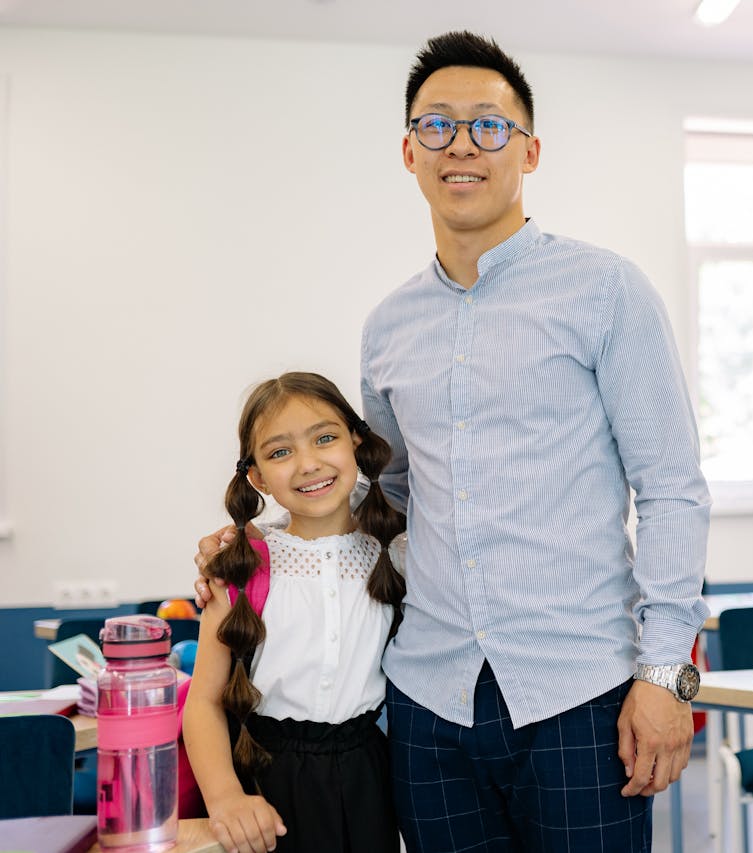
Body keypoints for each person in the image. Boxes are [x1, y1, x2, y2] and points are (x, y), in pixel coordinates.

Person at [199, 30, 709, 852]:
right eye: (437, 125)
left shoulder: (606, 291)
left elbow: (674, 490)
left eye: (488, 125)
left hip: (582, 692)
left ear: (529, 150)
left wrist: (665, 677)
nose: (461, 144)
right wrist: (256, 539)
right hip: (430, 704)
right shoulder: (387, 327)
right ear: (409, 151)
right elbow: (388, 497)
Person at [186, 372, 406, 853]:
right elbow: (202, 700)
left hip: (369, 776)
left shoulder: (396, 551)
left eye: (324, 438)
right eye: (280, 451)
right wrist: (225, 799)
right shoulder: (243, 565)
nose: (308, 464)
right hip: (263, 777)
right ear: (258, 477)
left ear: (356, 442)